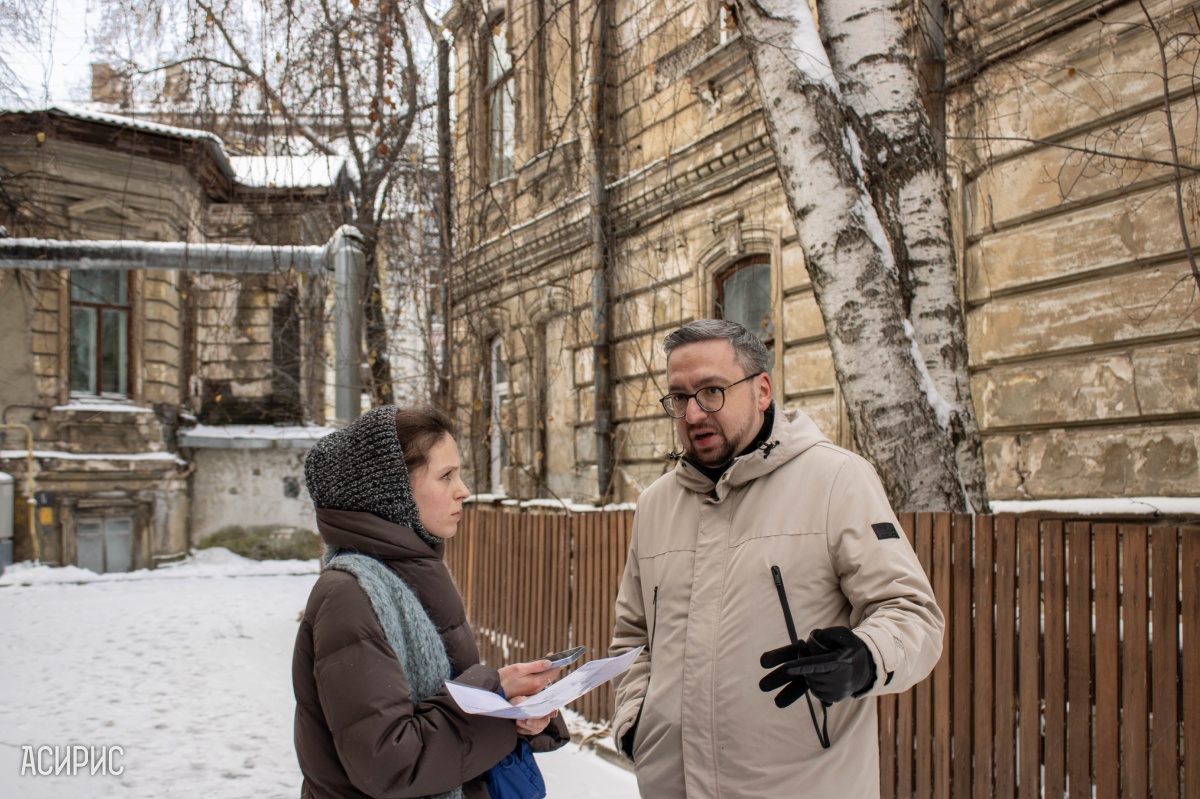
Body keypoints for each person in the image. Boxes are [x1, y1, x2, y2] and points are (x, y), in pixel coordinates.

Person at [609, 319, 944, 798]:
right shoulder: (656, 504)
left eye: (711, 391)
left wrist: (864, 657)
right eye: (679, 398)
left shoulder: (836, 479)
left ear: (762, 390)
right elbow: (634, 637)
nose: (694, 413)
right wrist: (635, 723)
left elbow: (913, 613)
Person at [294, 405, 569, 798]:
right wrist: (492, 693)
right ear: (392, 494)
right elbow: (389, 763)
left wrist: (515, 711)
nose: (464, 489)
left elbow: (442, 708)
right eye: (446, 476)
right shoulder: (350, 595)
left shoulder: (410, 577)